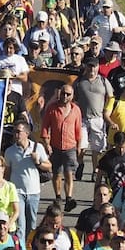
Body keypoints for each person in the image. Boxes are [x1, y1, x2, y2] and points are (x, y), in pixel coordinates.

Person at [42, 84, 83, 212]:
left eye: (68, 94)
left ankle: (69, 198)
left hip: (70, 146)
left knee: (69, 173)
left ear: (72, 96)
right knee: (56, 173)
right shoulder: (52, 108)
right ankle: (58, 196)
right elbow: (45, 127)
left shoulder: (76, 110)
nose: (65, 96)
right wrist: (47, 144)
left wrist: (79, 146)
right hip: (55, 146)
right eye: (63, 93)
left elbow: (78, 129)